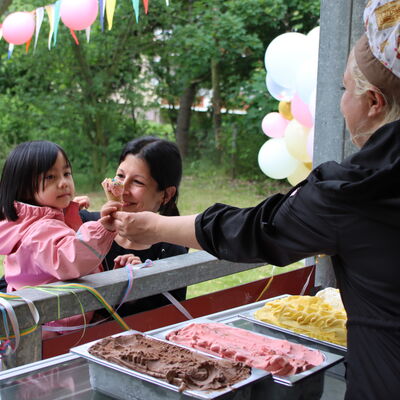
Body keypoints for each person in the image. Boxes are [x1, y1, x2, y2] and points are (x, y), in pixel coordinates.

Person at [108, 2, 400, 399]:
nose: (340, 101)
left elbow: (258, 229)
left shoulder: (358, 191)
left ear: (375, 103)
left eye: (345, 88)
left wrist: (153, 226)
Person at [0, 140, 117, 335]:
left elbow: (59, 238)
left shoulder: (25, 221)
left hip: (39, 318)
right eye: (51, 177)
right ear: (25, 188)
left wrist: (68, 210)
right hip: (56, 325)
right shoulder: (41, 230)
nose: (63, 182)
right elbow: (69, 260)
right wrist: (102, 228)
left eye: (66, 173)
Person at [80, 136, 188, 317]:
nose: (123, 189)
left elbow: (168, 320)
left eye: (137, 182)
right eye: (120, 176)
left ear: (166, 195)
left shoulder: (172, 253)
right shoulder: (84, 225)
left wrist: (132, 292)